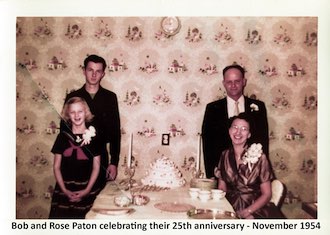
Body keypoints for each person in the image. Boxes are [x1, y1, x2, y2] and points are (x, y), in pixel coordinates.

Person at [62, 54, 121, 189]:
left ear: (103, 74)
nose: (94, 75)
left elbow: (115, 131)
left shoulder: (110, 98)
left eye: (98, 71)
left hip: (100, 157)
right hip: (75, 157)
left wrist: (114, 162)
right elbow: (64, 128)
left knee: (97, 201)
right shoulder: (73, 96)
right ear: (84, 71)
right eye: (90, 70)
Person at [202, 64, 269, 178]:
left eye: (237, 81)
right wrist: (212, 173)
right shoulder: (212, 109)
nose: (233, 85)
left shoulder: (258, 107)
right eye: (229, 82)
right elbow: (207, 143)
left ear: (244, 82)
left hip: (251, 172)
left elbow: (263, 140)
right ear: (224, 83)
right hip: (222, 173)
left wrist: (261, 171)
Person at [214, 113, 285, 219]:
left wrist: (248, 211)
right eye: (235, 127)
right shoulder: (225, 155)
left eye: (244, 129)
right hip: (230, 206)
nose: (238, 132)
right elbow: (221, 188)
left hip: (256, 208)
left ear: (249, 134)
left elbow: (267, 194)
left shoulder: (260, 157)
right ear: (229, 131)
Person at [49, 97, 101, 219]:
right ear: (68, 115)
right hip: (64, 189)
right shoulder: (62, 137)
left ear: (86, 113)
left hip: (88, 188)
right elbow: (56, 167)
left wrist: (87, 190)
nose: (76, 115)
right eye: (72, 112)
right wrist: (65, 190)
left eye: (80, 111)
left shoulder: (94, 138)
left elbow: (96, 167)